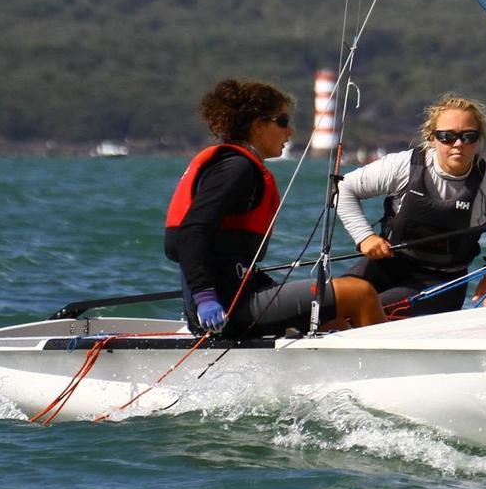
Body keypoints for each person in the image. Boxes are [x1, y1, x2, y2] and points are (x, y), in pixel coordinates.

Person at [165, 79, 385, 337]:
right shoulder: (236, 169)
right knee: (360, 293)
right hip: (226, 309)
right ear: (258, 126)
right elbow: (191, 231)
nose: (289, 132)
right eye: (282, 121)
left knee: (334, 320)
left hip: (237, 295)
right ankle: (396, 371)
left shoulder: (235, 165)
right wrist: (205, 297)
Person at [335, 94, 486, 318]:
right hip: (388, 265)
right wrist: (364, 236)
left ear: (479, 140)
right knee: (330, 305)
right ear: (432, 138)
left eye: (469, 136)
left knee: (364, 310)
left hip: (442, 282)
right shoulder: (403, 166)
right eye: (447, 136)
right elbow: (343, 189)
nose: (458, 144)